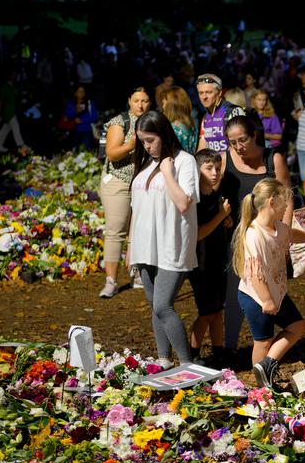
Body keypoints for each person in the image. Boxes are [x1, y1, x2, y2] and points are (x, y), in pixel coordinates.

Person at [233, 178, 305, 387]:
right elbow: (255, 273)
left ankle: (266, 364)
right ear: (272, 202)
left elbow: (291, 234)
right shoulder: (254, 235)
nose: (287, 206)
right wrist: (266, 300)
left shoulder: (277, 227)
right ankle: (262, 386)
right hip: (257, 296)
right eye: (285, 202)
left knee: (297, 326)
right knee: (263, 340)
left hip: (277, 293)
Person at [217, 114, 295, 360]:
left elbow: (288, 196)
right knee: (234, 293)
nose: (239, 147)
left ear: (254, 136)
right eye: (233, 142)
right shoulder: (224, 160)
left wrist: (285, 236)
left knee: (269, 287)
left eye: (243, 140)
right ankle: (229, 349)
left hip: (270, 237)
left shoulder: (274, 159)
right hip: (238, 237)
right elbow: (213, 191)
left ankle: (264, 345)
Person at [128, 111, 200, 366]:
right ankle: (163, 359)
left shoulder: (184, 161)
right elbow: (136, 210)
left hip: (172, 245)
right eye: (142, 141)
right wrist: (131, 250)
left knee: (162, 306)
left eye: (150, 140)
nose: (146, 146)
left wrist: (167, 172)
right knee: (155, 307)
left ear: (163, 134)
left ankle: (186, 363)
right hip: (145, 248)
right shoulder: (145, 164)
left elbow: (183, 203)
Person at [98, 88, 152, 298]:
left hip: (143, 184)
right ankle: (111, 281)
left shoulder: (153, 121)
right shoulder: (120, 122)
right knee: (116, 230)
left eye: (145, 101)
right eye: (136, 100)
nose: (140, 105)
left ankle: (137, 274)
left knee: (137, 230)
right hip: (118, 182)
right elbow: (111, 153)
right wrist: (132, 144)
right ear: (129, 101)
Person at [187, 149, 233, 364]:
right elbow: (198, 234)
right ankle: (193, 354)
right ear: (197, 171)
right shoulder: (195, 200)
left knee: (217, 311)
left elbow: (215, 227)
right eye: (209, 168)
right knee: (206, 311)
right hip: (201, 262)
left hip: (218, 258)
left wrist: (225, 222)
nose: (215, 173)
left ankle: (218, 351)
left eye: (217, 168)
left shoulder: (217, 196)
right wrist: (221, 216)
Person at [196, 73, 233, 154]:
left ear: (219, 93)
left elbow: (238, 147)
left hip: (230, 164)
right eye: (201, 93)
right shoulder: (205, 117)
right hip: (213, 164)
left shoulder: (231, 112)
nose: (204, 97)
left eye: (208, 92)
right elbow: (202, 148)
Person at [158, 85, 197, 153]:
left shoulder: (173, 128)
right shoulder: (192, 124)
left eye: (163, 104)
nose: (163, 108)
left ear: (170, 107)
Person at [0, 71, 26, 153]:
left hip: (14, 110)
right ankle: (21, 146)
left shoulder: (14, 86)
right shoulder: (5, 87)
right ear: (9, 76)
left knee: (6, 128)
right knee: (16, 128)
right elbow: (1, 101)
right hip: (8, 111)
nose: (15, 76)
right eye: (14, 74)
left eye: (15, 75)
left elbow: (17, 97)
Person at [62, 85, 100, 150]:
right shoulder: (71, 103)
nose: (81, 93)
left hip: (86, 130)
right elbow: (67, 116)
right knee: (73, 151)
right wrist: (76, 111)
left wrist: (83, 120)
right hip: (73, 130)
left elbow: (95, 116)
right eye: (79, 91)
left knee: (85, 150)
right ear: (75, 93)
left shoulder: (89, 103)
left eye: (83, 91)